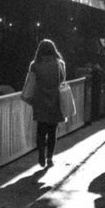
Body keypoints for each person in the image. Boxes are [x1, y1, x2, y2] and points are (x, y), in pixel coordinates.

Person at [26, 38, 66, 168]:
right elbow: (62, 80)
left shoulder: (34, 65)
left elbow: (30, 82)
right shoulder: (59, 64)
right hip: (55, 100)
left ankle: (41, 155)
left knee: (41, 130)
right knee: (52, 130)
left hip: (39, 101)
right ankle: (50, 157)